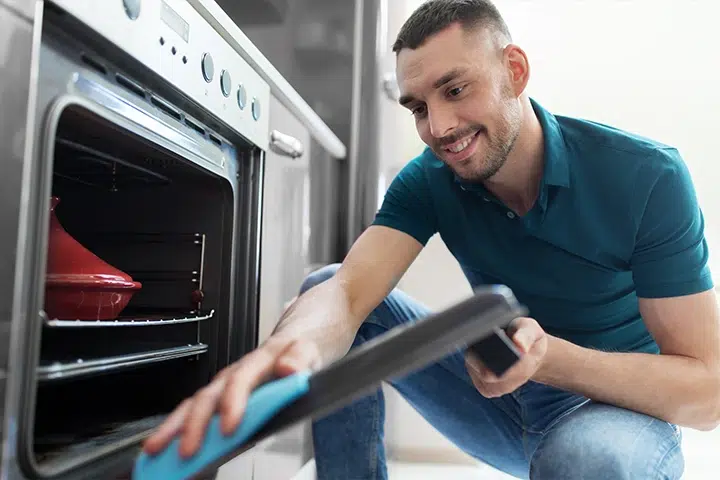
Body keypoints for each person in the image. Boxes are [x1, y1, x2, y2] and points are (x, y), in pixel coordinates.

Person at [144, 0, 720, 478]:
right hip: (498, 407)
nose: (439, 127)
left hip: (612, 420)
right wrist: (282, 354)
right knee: (325, 285)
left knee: (584, 458)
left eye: (455, 89)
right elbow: (347, 295)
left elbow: (707, 393)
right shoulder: (430, 179)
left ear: (514, 71)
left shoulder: (646, 177)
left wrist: (548, 360)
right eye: (418, 106)